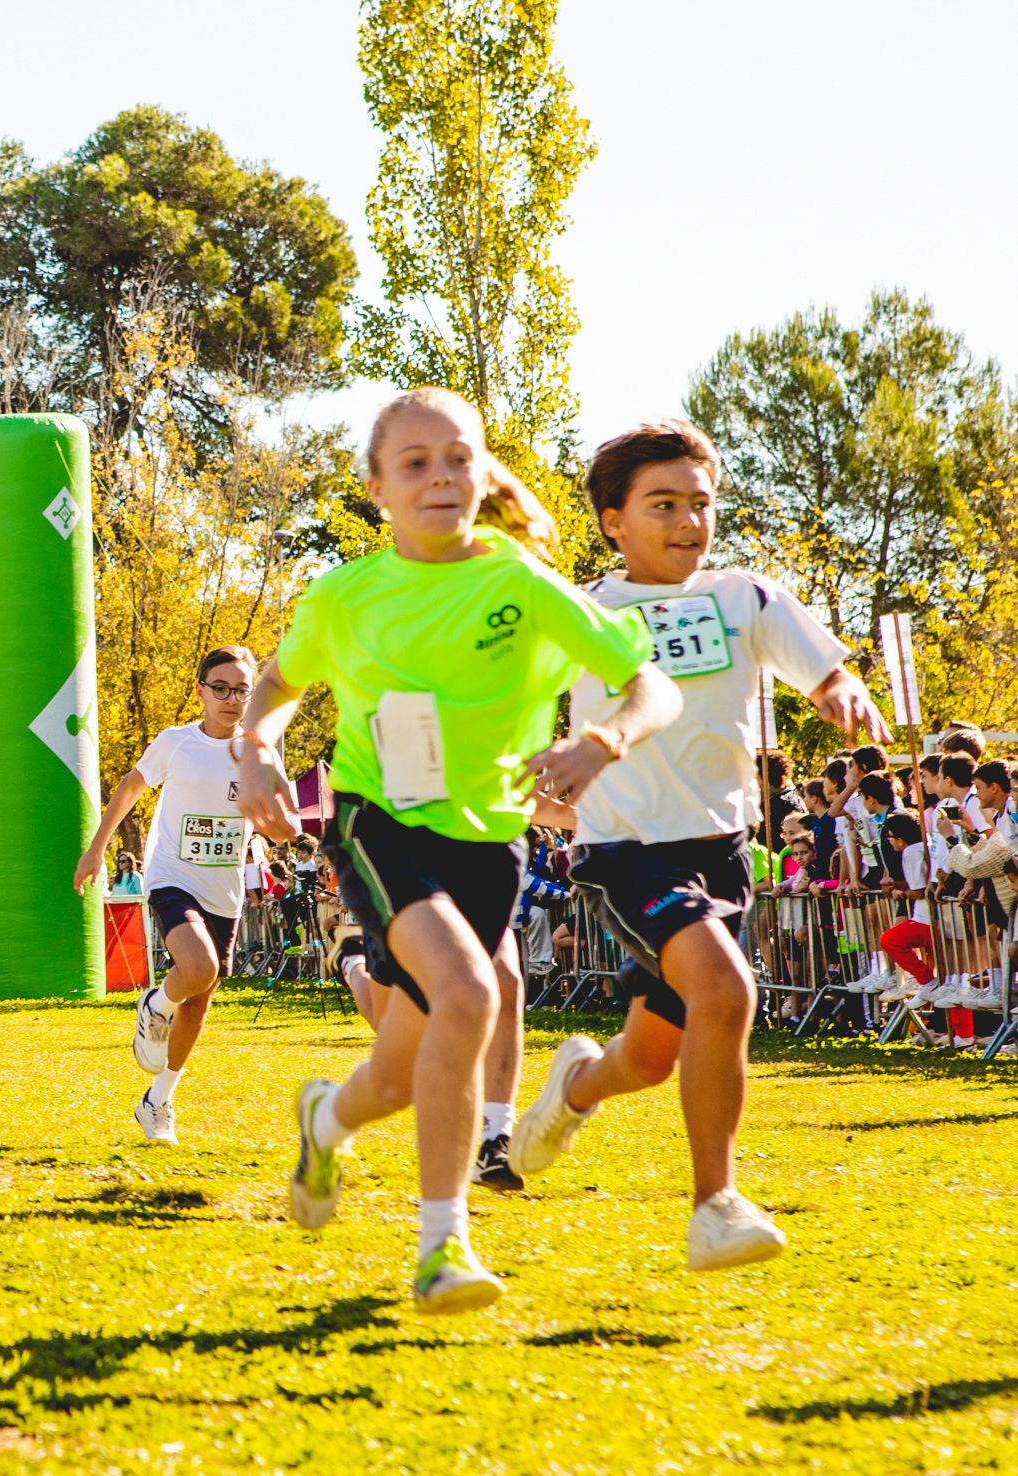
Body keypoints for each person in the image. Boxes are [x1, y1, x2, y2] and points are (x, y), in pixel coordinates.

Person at [233, 386, 679, 1316]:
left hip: (489, 842)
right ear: (375, 489)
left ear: (481, 472)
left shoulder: (519, 583)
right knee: (475, 994)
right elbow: (276, 681)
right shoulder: (344, 595)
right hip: (376, 821)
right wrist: (255, 750)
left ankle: (326, 1116)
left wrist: (598, 742)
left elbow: (647, 686)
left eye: (456, 458)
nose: (438, 477)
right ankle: (443, 1245)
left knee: (400, 1068)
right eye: (414, 463)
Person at [504, 420, 885, 1261]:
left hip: (721, 853)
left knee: (646, 1055)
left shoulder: (742, 594)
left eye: (699, 504)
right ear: (612, 519)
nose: (687, 521)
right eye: (662, 504)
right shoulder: (583, 614)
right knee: (726, 990)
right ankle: (715, 1204)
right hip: (626, 850)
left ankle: (569, 1090)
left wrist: (840, 688)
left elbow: (821, 666)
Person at [76, 645, 256, 1144]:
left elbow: (273, 813)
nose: (230, 698)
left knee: (198, 1003)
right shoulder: (176, 743)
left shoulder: (259, 750)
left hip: (226, 890)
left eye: (240, 689)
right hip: (172, 876)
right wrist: (97, 851)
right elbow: (129, 788)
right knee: (200, 969)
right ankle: (153, 1005)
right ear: (200, 691)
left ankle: (158, 1101)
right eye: (219, 687)